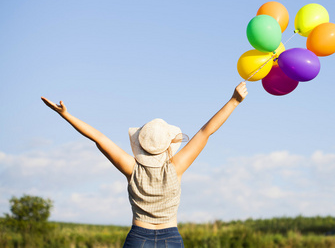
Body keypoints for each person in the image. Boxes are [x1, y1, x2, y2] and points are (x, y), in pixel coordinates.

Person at [41, 82, 248, 248]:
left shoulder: (131, 168)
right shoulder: (176, 167)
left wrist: (66, 115)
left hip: (138, 238)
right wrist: (234, 101)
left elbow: (99, 138)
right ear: (168, 145)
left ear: (140, 144)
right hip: (171, 239)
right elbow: (205, 131)